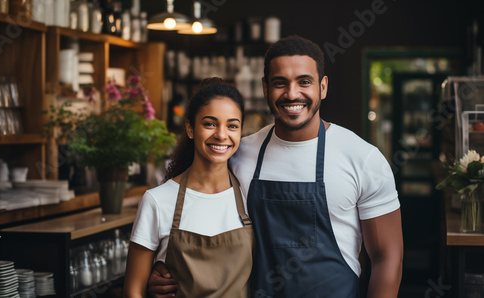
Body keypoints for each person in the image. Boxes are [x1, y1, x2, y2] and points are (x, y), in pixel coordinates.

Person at [148, 35, 403, 298]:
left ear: (323, 87)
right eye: (280, 83)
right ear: (265, 88)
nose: (292, 94)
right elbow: (195, 215)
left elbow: (387, 258)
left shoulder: (363, 159)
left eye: (304, 82)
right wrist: (166, 266)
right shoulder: (238, 154)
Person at [124, 78, 253, 298]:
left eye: (232, 125)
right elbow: (133, 291)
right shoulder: (157, 200)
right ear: (190, 128)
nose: (221, 135)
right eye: (210, 123)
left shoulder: (250, 193)